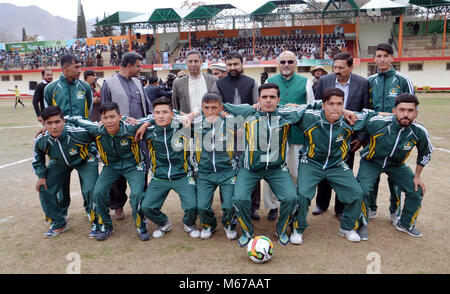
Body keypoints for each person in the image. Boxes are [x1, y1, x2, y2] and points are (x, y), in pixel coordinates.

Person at [221, 83, 314, 246]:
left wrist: (346, 111)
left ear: (278, 99)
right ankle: (247, 232)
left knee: (291, 197)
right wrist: (193, 114)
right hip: (250, 169)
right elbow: (219, 105)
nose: (268, 100)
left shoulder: (286, 114)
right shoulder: (248, 111)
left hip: (276, 169)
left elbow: (315, 106)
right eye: (264, 97)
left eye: (272, 97)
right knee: (240, 198)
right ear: (258, 99)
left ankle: (282, 229)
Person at [294, 87, 377, 244]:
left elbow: (373, 115)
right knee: (303, 194)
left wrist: (399, 116)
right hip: (311, 163)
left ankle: (347, 227)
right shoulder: (309, 118)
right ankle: (298, 228)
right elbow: (293, 109)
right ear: (324, 105)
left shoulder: (350, 120)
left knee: (357, 193)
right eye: (331, 103)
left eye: (339, 104)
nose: (335, 107)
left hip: (336, 165)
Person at [65, 102, 150, 241]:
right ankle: (105, 226)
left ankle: (141, 226)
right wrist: (59, 120)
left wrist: (145, 124)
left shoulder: (130, 127)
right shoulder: (97, 130)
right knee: (98, 192)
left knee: (137, 194)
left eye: (113, 117)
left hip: (134, 165)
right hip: (111, 166)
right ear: (101, 119)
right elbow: (78, 120)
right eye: (105, 118)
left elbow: (153, 117)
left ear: (120, 117)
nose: (109, 121)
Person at [355, 93, 432, 240]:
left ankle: (405, 224)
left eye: (410, 111)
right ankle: (362, 223)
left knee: (417, 191)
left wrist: (417, 176)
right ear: (394, 111)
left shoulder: (419, 131)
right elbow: (358, 118)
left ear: (416, 113)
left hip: (396, 165)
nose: (406, 114)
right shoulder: (379, 122)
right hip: (372, 161)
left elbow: (426, 152)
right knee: (362, 189)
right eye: (402, 110)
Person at [312, 52, 371, 221]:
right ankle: (321, 204)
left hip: (348, 137)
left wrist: (360, 137)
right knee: (324, 168)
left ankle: (340, 208)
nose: (337, 70)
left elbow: (364, 112)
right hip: (325, 134)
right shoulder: (324, 81)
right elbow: (317, 108)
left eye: (341, 67)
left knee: (344, 172)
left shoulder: (362, 83)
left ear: (351, 67)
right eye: (335, 67)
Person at [136, 98, 200, 239]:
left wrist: (189, 114)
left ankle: (189, 224)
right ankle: (164, 223)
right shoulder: (149, 131)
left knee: (193, 206)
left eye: (165, 112)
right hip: (160, 177)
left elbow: (201, 112)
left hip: (183, 175)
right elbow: (131, 122)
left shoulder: (182, 126)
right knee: (146, 207)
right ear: (153, 115)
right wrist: (147, 123)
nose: (161, 116)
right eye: (157, 113)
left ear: (172, 114)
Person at [262, 51, 315, 222]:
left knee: (296, 173)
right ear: (278, 63)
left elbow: (312, 109)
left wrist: (297, 107)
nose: (286, 64)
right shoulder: (270, 81)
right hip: (274, 137)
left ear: (296, 64)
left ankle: (294, 205)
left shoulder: (305, 82)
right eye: (283, 61)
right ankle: (272, 207)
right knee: (272, 172)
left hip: (297, 136)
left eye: (290, 61)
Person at [101, 52, 153, 221]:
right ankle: (117, 206)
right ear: (128, 65)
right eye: (138, 65)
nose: (140, 68)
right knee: (118, 174)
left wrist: (147, 123)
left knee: (141, 169)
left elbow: (148, 108)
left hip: (140, 137)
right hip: (117, 137)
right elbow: (105, 111)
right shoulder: (109, 84)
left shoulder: (138, 83)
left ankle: (141, 204)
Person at [32, 106, 98, 238]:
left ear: (63, 121)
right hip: (60, 162)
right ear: (44, 124)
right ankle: (58, 223)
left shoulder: (78, 132)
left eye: (57, 122)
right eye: (49, 123)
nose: (54, 126)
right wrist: (41, 175)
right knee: (44, 188)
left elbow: (97, 129)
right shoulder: (41, 139)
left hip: (85, 158)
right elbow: (37, 158)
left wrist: (70, 119)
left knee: (91, 188)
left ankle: (97, 222)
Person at [211, 52, 261, 221]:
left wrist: (244, 126)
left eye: (236, 64)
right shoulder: (218, 85)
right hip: (227, 134)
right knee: (227, 169)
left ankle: (253, 206)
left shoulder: (251, 82)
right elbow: (216, 109)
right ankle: (229, 205)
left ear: (242, 65)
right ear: (226, 66)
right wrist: (232, 126)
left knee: (251, 167)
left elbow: (256, 108)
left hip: (248, 134)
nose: (233, 68)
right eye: (229, 65)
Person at [367, 43, 415, 219]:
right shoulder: (370, 81)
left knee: (394, 175)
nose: (381, 59)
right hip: (376, 136)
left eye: (385, 56)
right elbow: (367, 110)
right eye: (378, 56)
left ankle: (395, 210)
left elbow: (412, 109)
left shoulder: (403, 80)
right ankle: (371, 207)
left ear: (391, 58)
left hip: (397, 136)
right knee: (373, 174)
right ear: (375, 58)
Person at [43, 54, 93, 219]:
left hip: (83, 141)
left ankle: (89, 209)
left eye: (80, 66)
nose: (80, 70)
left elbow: (89, 112)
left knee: (87, 180)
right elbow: (48, 115)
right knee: (62, 181)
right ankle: (62, 211)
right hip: (60, 142)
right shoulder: (51, 88)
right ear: (65, 68)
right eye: (77, 67)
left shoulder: (85, 87)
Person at [190, 93, 239, 240]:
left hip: (227, 171)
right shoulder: (195, 123)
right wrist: (146, 123)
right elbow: (169, 117)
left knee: (229, 205)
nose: (210, 111)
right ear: (202, 108)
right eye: (206, 108)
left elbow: (251, 114)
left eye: (214, 107)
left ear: (221, 108)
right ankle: (208, 225)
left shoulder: (231, 121)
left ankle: (229, 224)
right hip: (205, 172)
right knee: (202, 206)